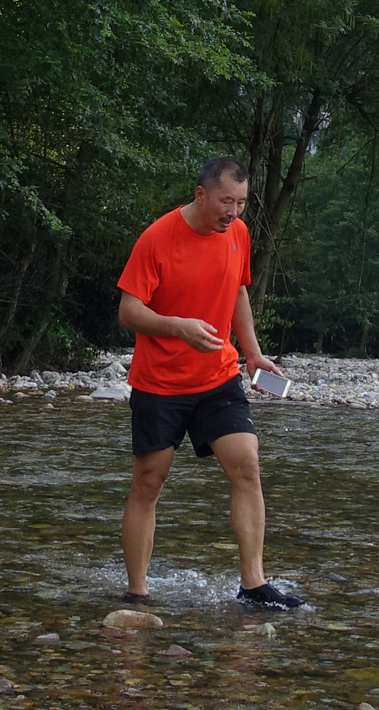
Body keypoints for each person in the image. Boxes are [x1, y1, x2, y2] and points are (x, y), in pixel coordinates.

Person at [114, 156, 305, 611]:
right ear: (201, 194)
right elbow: (128, 311)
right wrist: (177, 326)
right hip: (159, 383)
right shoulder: (157, 239)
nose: (233, 212)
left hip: (217, 376)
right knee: (149, 482)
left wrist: (253, 351)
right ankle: (138, 591)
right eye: (226, 201)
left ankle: (254, 583)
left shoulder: (237, 234)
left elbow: (238, 290)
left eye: (241, 203)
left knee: (247, 464)